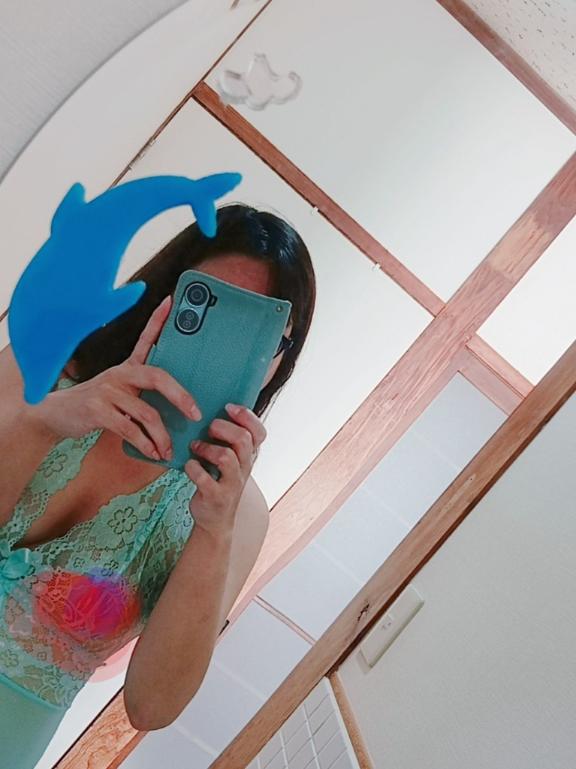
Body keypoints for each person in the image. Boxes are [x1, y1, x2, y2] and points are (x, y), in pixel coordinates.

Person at [0, 203, 316, 768]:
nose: (221, 343)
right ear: (166, 294)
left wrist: (213, 534)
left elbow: (151, 706)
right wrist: (42, 422)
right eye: (208, 304)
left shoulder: (240, 516)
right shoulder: (41, 364)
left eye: (258, 333)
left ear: (278, 359)